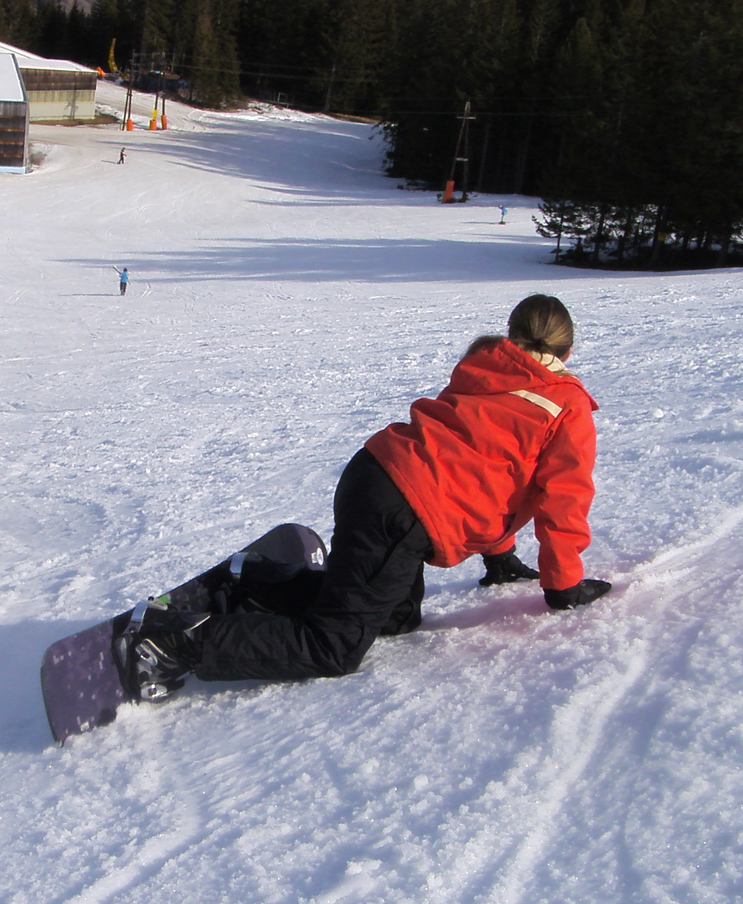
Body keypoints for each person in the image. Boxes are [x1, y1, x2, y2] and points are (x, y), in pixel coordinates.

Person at [122, 294, 610, 700]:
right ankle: (168, 642)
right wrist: (563, 586)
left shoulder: (487, 367)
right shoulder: (566, 404)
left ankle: (255, 582)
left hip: (377, 475)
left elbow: (480, 468)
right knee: (334, 645)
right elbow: (561, 501)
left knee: (396, 616)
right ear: (566, 353)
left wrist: (499, 556)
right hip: (406, 509)